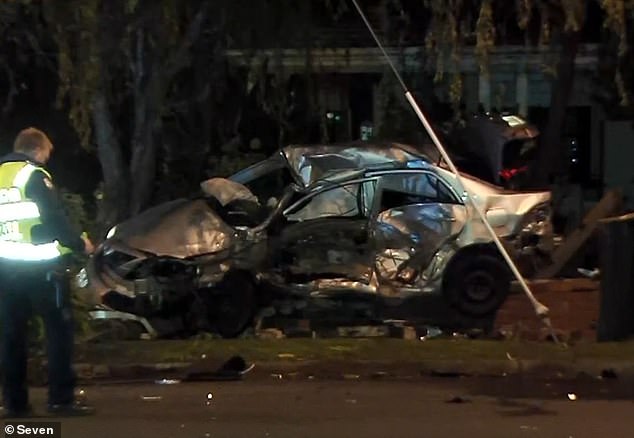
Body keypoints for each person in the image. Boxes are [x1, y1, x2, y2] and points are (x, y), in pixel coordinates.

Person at [0, 127, 95, 417]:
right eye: (47, 154)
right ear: (38, 149)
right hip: (41, 270)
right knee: (58, 331)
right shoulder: (34, 175)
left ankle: (15, 404)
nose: (47, 160)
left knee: (11, 336)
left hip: (6, 269)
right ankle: (60, 400)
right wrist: (80, 244)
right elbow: (53, 218)